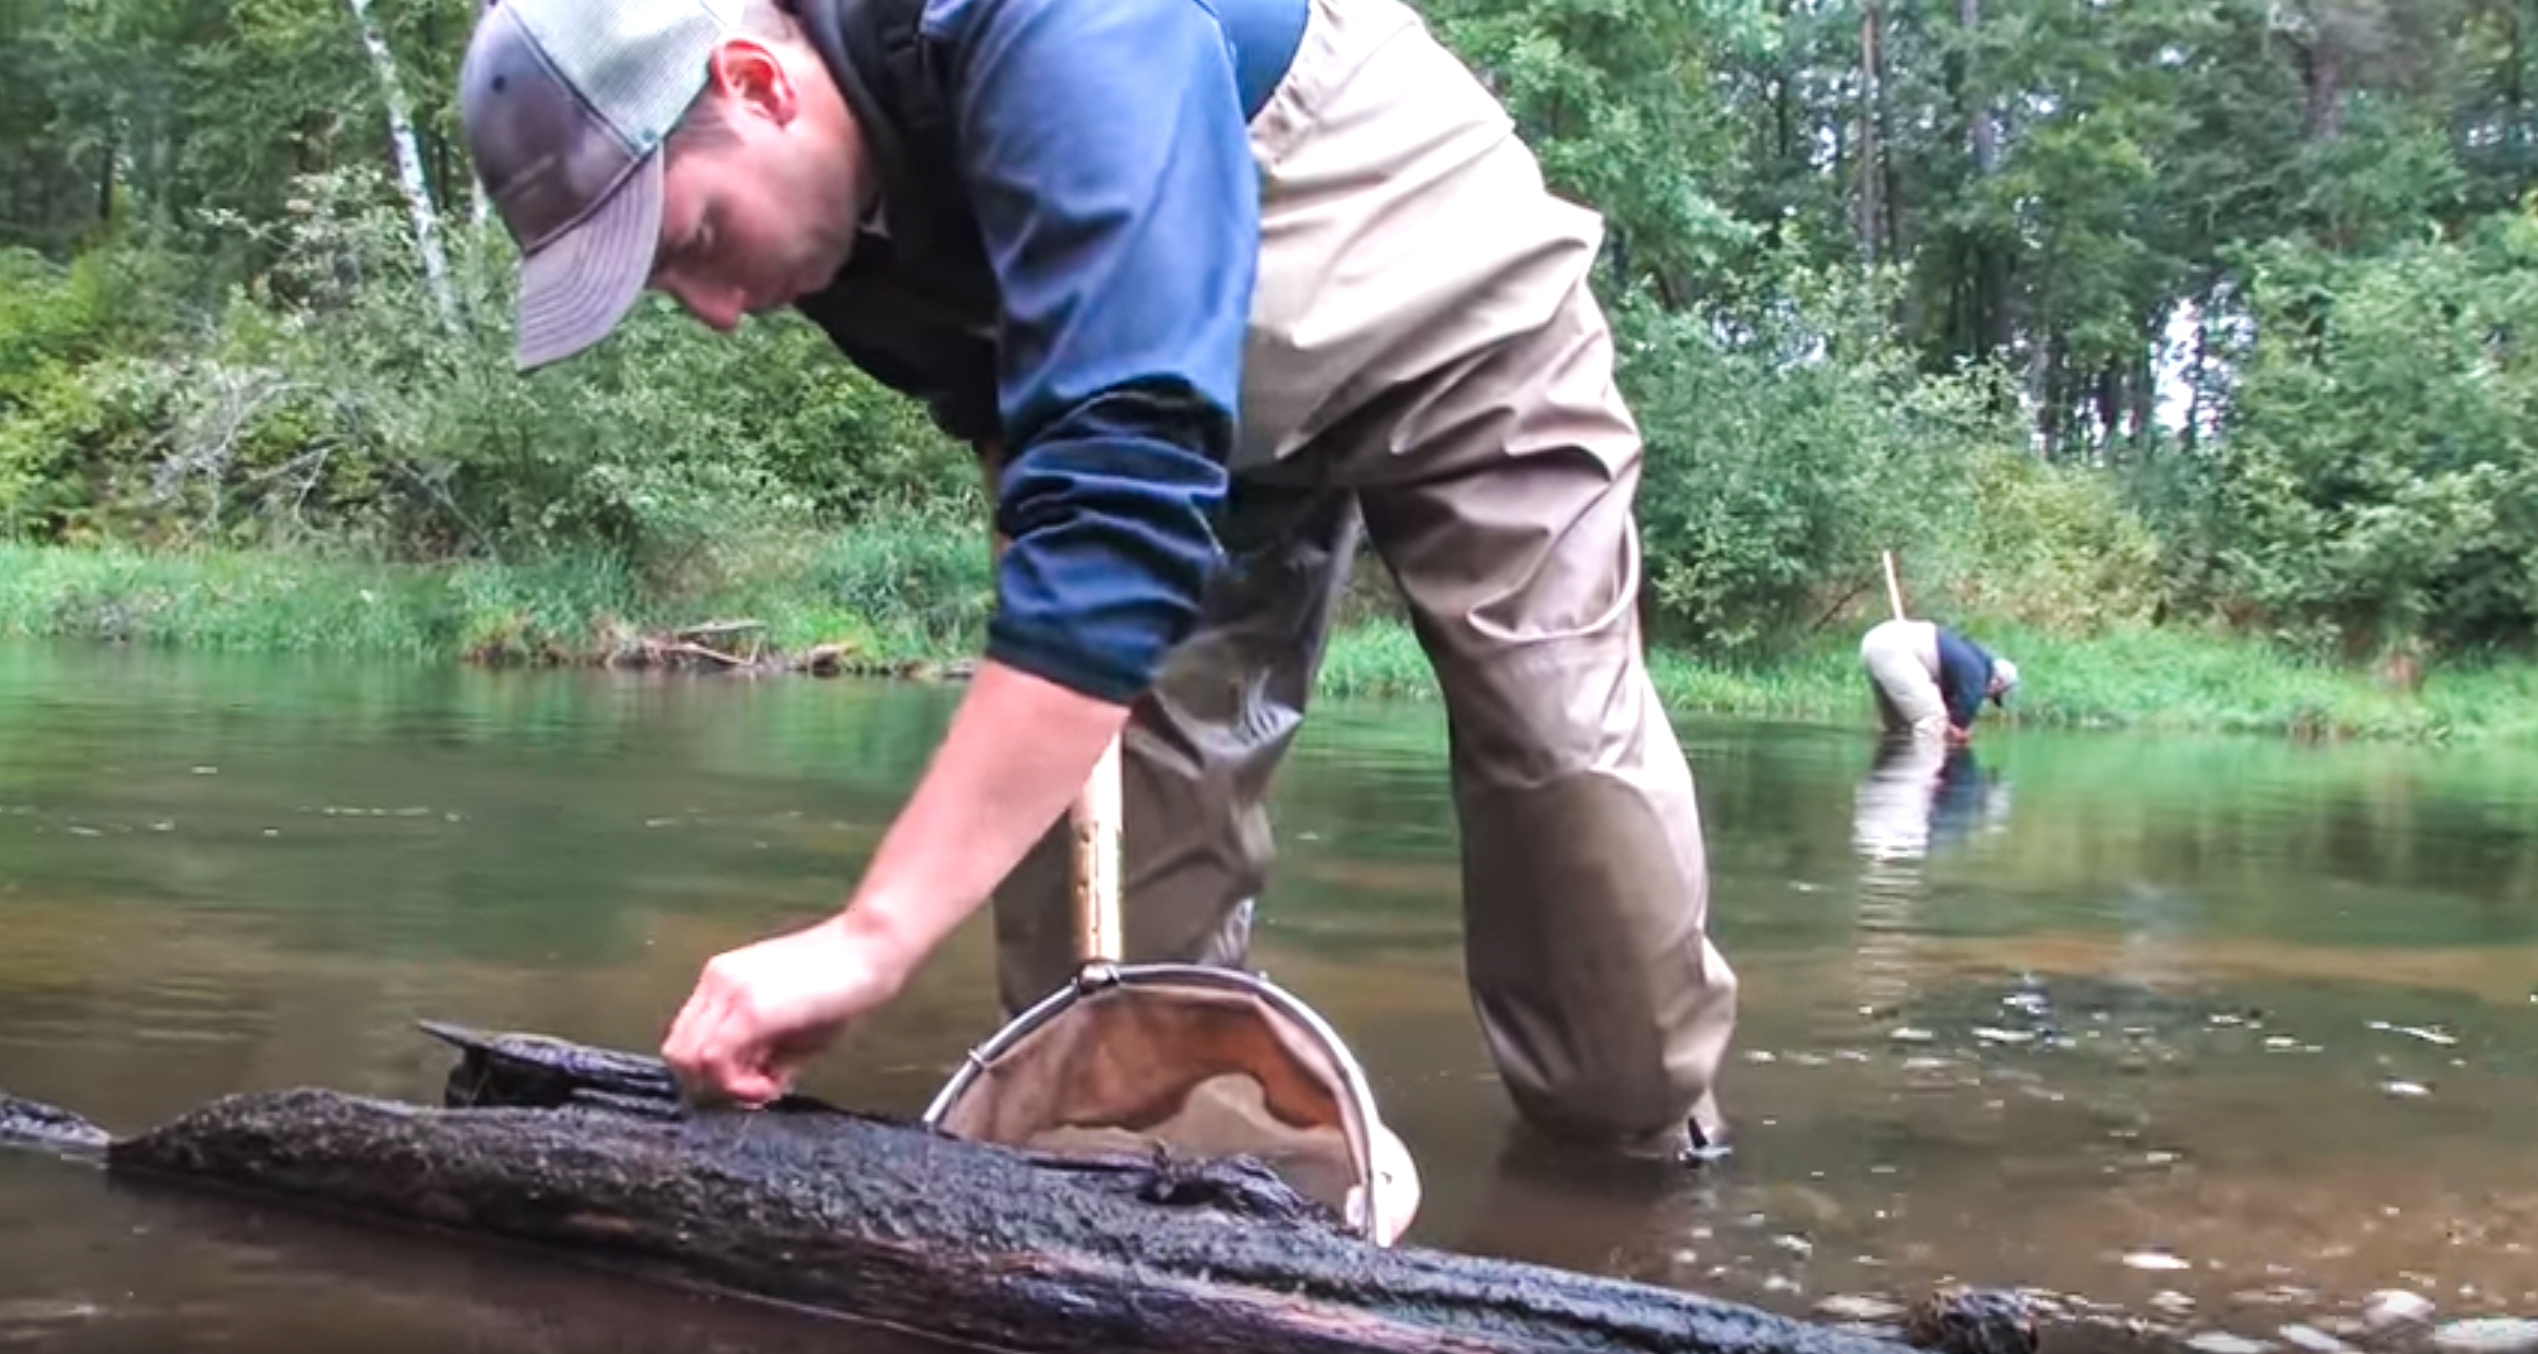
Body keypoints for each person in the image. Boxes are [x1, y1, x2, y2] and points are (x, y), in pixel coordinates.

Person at [456, 0, 1738, 1158]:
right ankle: (1155, 1195)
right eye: (667, 285)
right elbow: (1040, 438)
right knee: (1097, 932)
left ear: (757, 82)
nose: (717, 309)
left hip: (1439, 296)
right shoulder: (825, 232)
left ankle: (1634, 1178)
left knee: (1559, 764)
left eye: (694, 237)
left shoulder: (1059, 22)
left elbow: (1118, 500)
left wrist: (874, 936)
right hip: (1177, 415)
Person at [1858, 617, 2019, 744]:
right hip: (1896, 649)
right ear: (1996, 682)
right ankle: (1923, 772)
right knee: (1934, 721)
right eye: (1992, 694)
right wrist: (1958, 734)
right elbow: (1955, 727)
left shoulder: (1970, 658)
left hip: (1877, 640)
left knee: (1900, 728)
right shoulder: (1978, 676)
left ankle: (1894, 771)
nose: (1985, 697)